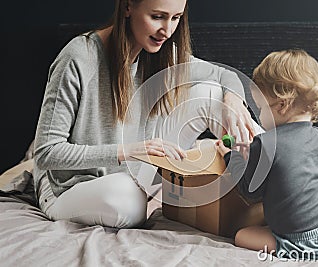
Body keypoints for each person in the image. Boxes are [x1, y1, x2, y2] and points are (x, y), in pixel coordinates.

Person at [33, 0, 256, 229]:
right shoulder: (78, 57)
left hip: (138, 170)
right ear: (128, 7)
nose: (167, 31)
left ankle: (275, 178)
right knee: (128, 199)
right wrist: (129, 151)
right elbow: (45, 152)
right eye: (158, 17)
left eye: (176, 18)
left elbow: (224, 75)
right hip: (74, 188)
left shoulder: (163, 53)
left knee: (211, 93)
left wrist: (233, 101)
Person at [216, 49, 318, 259]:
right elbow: (293, 169)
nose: (258, 115)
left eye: (260, 107)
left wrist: (232, 156)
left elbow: (250, 192)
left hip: (305, 241)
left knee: (242, 235)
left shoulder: (266, 143)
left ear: (282, 105)